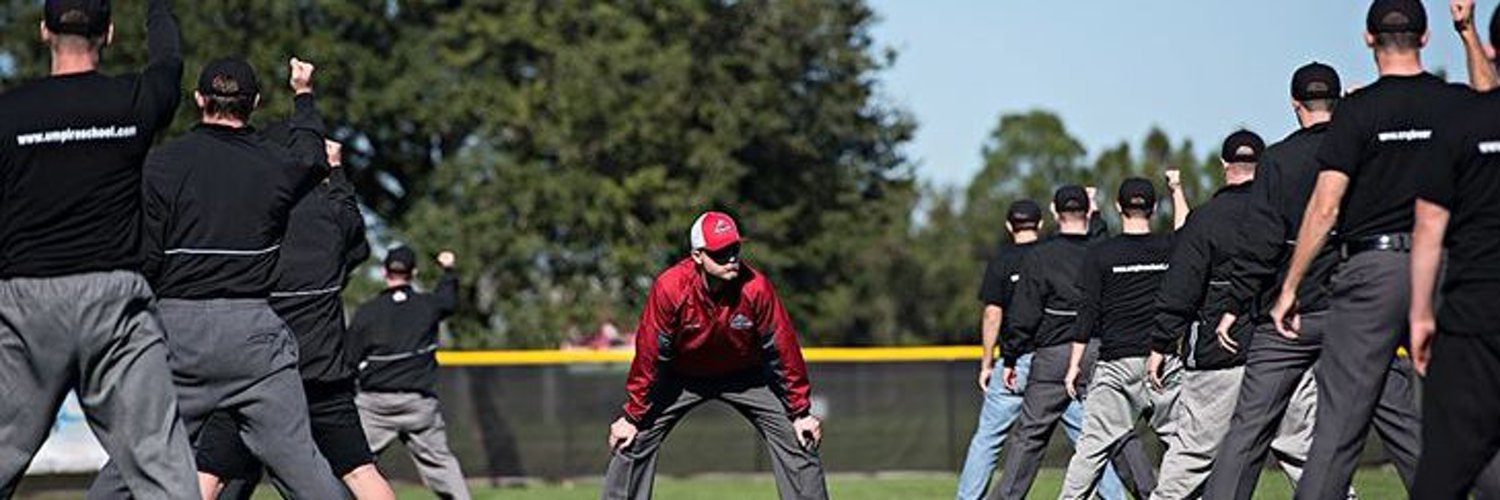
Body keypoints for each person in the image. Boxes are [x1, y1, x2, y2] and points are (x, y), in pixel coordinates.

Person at [88, 56, 348, 499]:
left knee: (131, 468)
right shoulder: (276, 164)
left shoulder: (160, 165)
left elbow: (145, 255)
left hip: (177, 331)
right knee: (307, 472)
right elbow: (311, 154)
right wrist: (303, 94)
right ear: (256, 102)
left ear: (198, 99)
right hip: (253, 336)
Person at [1267, 1, 1475, 497]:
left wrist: (1290, 286)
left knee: (1337, 436)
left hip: (1372, 273)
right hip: (1448, 266)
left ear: (1367, 38)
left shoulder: (1357, 110)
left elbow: (1325, 206)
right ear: (1425, 38)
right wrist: (1467, 34)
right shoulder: (1454, 103)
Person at [0, 0, 198, 496]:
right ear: (107, 33)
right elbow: (169, 62)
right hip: (116, 305)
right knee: (162, 468)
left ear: (44, 32)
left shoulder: (8, 114)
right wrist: (158, 8)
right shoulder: (133, 100)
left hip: (25, 305)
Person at [194, 136, 395, 499]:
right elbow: (355, 231)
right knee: (360, 471)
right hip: (320, 372)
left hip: (255, 372)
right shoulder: (330, 217)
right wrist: (336, 171)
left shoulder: (252, 215)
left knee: (208, 473)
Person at [602, 211, 827, 500]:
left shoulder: (756, 288)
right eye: (720, 252)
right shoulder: (670, 288)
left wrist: (801, 412)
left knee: (799, 437)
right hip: (680, 377)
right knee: (632, 440)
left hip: (747, 377)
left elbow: (783, 348)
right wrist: (631, 417)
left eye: (734, 249)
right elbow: (650, 355)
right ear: (697, 255)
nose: (731, 258)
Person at [1149, 130, 1312, 499]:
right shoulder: (1284, 214)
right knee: (1305, 453)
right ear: (1264, 165)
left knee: (1192, 454)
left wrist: (1160, 342)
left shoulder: (1204, 220)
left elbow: (1180, 289)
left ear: (1224, 166)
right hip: (1281, 348)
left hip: (1216, 356)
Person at [989, 190, 1149, 500]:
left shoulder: (1041, 256)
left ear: (1053, 211)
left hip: (1053, 356)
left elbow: (1023, 314)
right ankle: (1153, 494)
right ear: (1089, 211)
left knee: (1029, 438)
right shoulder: (1104, 250)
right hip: (1101, 350)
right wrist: (1098, 213)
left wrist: (1010, 357)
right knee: (1117, 430)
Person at [1411, 5, 1500, 497]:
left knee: (1445, 466)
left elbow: (1429, 223)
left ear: (1493, 49)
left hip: (1473, 314)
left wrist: (1421, 311)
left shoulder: (1463, 123)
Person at [1057, 177, 1185, 500]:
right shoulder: (1170, 247)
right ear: (1154, 209)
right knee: (1185, 447)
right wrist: (1178, 190)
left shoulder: (1101, 254)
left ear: (1118, 207)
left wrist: (1074, 365)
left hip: (1115, 365)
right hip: (1163, 362)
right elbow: (1187, 230)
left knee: (1090, 451)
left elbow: (1086, 313)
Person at [349, 246, 471, 500]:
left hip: (375, 406)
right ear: (413, 273)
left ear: (385, 272)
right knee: (442, 465)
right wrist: (448, 269)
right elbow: (448, 298)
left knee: (352, 466)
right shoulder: (428, 305)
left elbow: (349, 360)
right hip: (418, 404)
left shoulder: (368, 311)